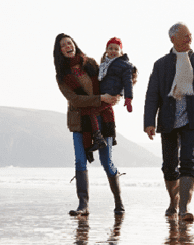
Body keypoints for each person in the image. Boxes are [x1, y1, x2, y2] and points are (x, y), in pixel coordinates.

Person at [144, 22, 194, 221]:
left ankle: (184, 207)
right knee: (169, 165)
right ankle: (174, 200)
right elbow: (152, 95)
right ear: (173, 39)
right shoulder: (161, 64)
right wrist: (149, 122)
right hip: (168, 120)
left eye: (190, 35)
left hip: (192, 118)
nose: (189, 39)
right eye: (185, 36)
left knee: (188, 161)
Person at [53, 33, 125, 216]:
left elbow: (110, 79)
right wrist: (101, 98)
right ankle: (83, 205)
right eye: (63, 45)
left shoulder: (91, 63)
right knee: (80, 160)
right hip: (79, 121)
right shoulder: (62, 75)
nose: (68, 46)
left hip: (104, 117)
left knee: (106, 161)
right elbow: (75, 100)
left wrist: (119, 91)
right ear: (59, 51)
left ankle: (119, 203)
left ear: (74, 44)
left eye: (69, 42)